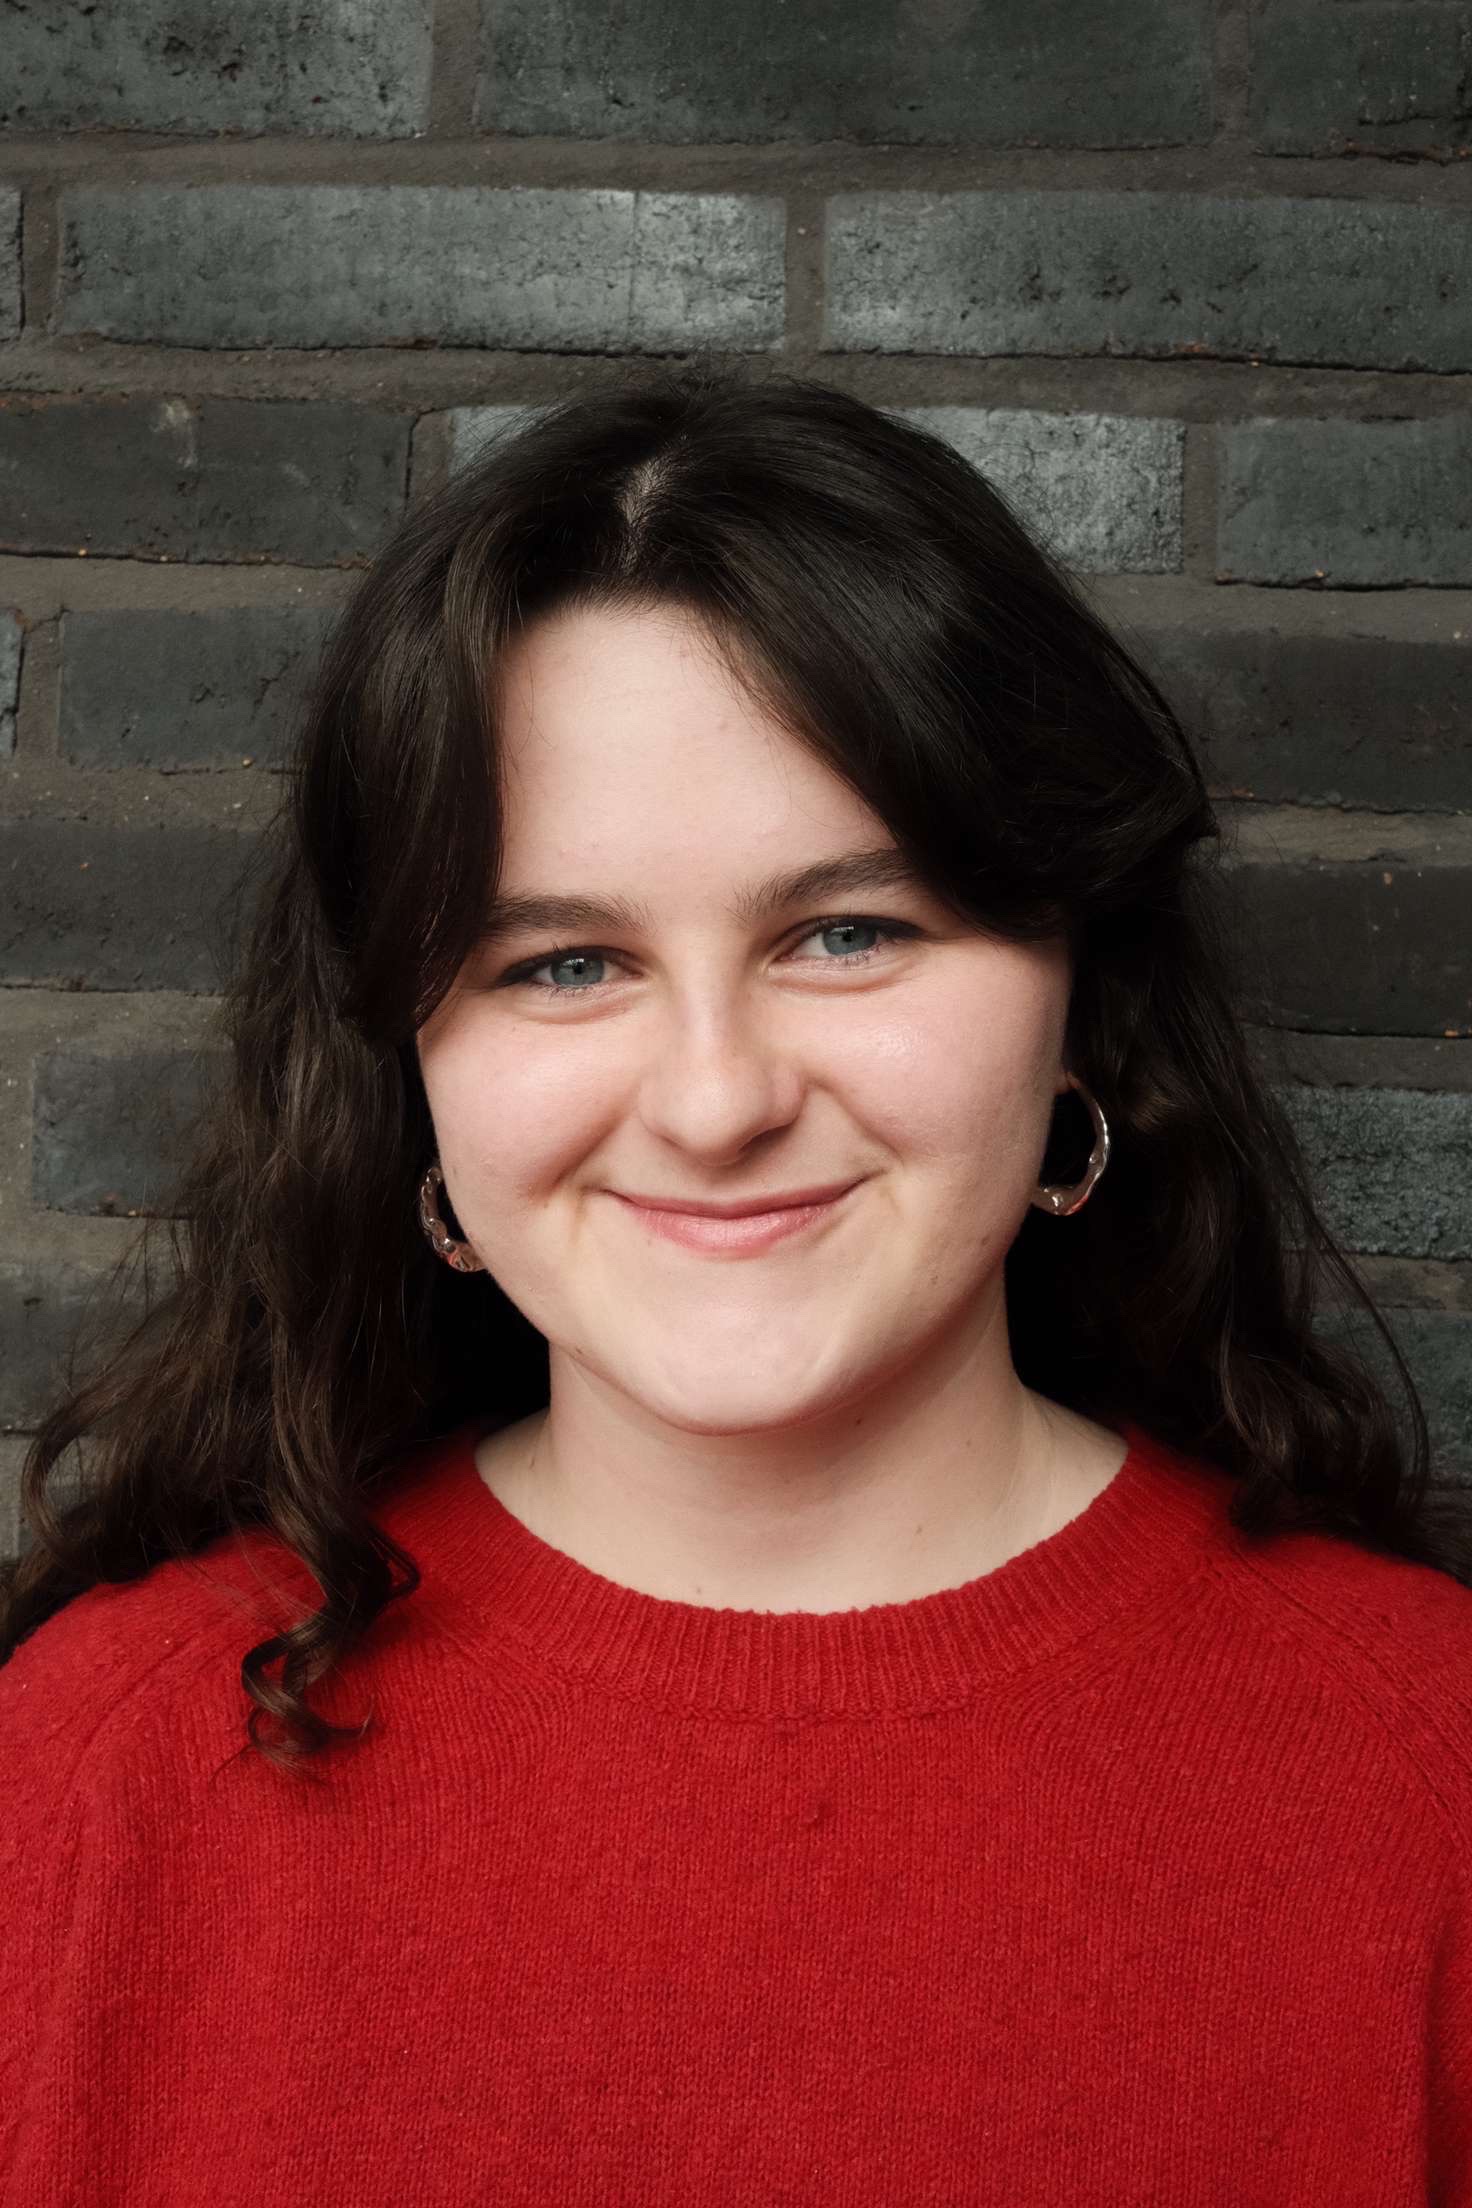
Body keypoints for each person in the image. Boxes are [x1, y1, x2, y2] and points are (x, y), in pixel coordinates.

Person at [2, 361, 1469, 2206]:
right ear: (410, 1061)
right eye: (561, 966)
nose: (715, 1103)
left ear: (1077, 992)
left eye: (847, 933)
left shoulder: (1429, 1777)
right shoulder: (90, 1778)